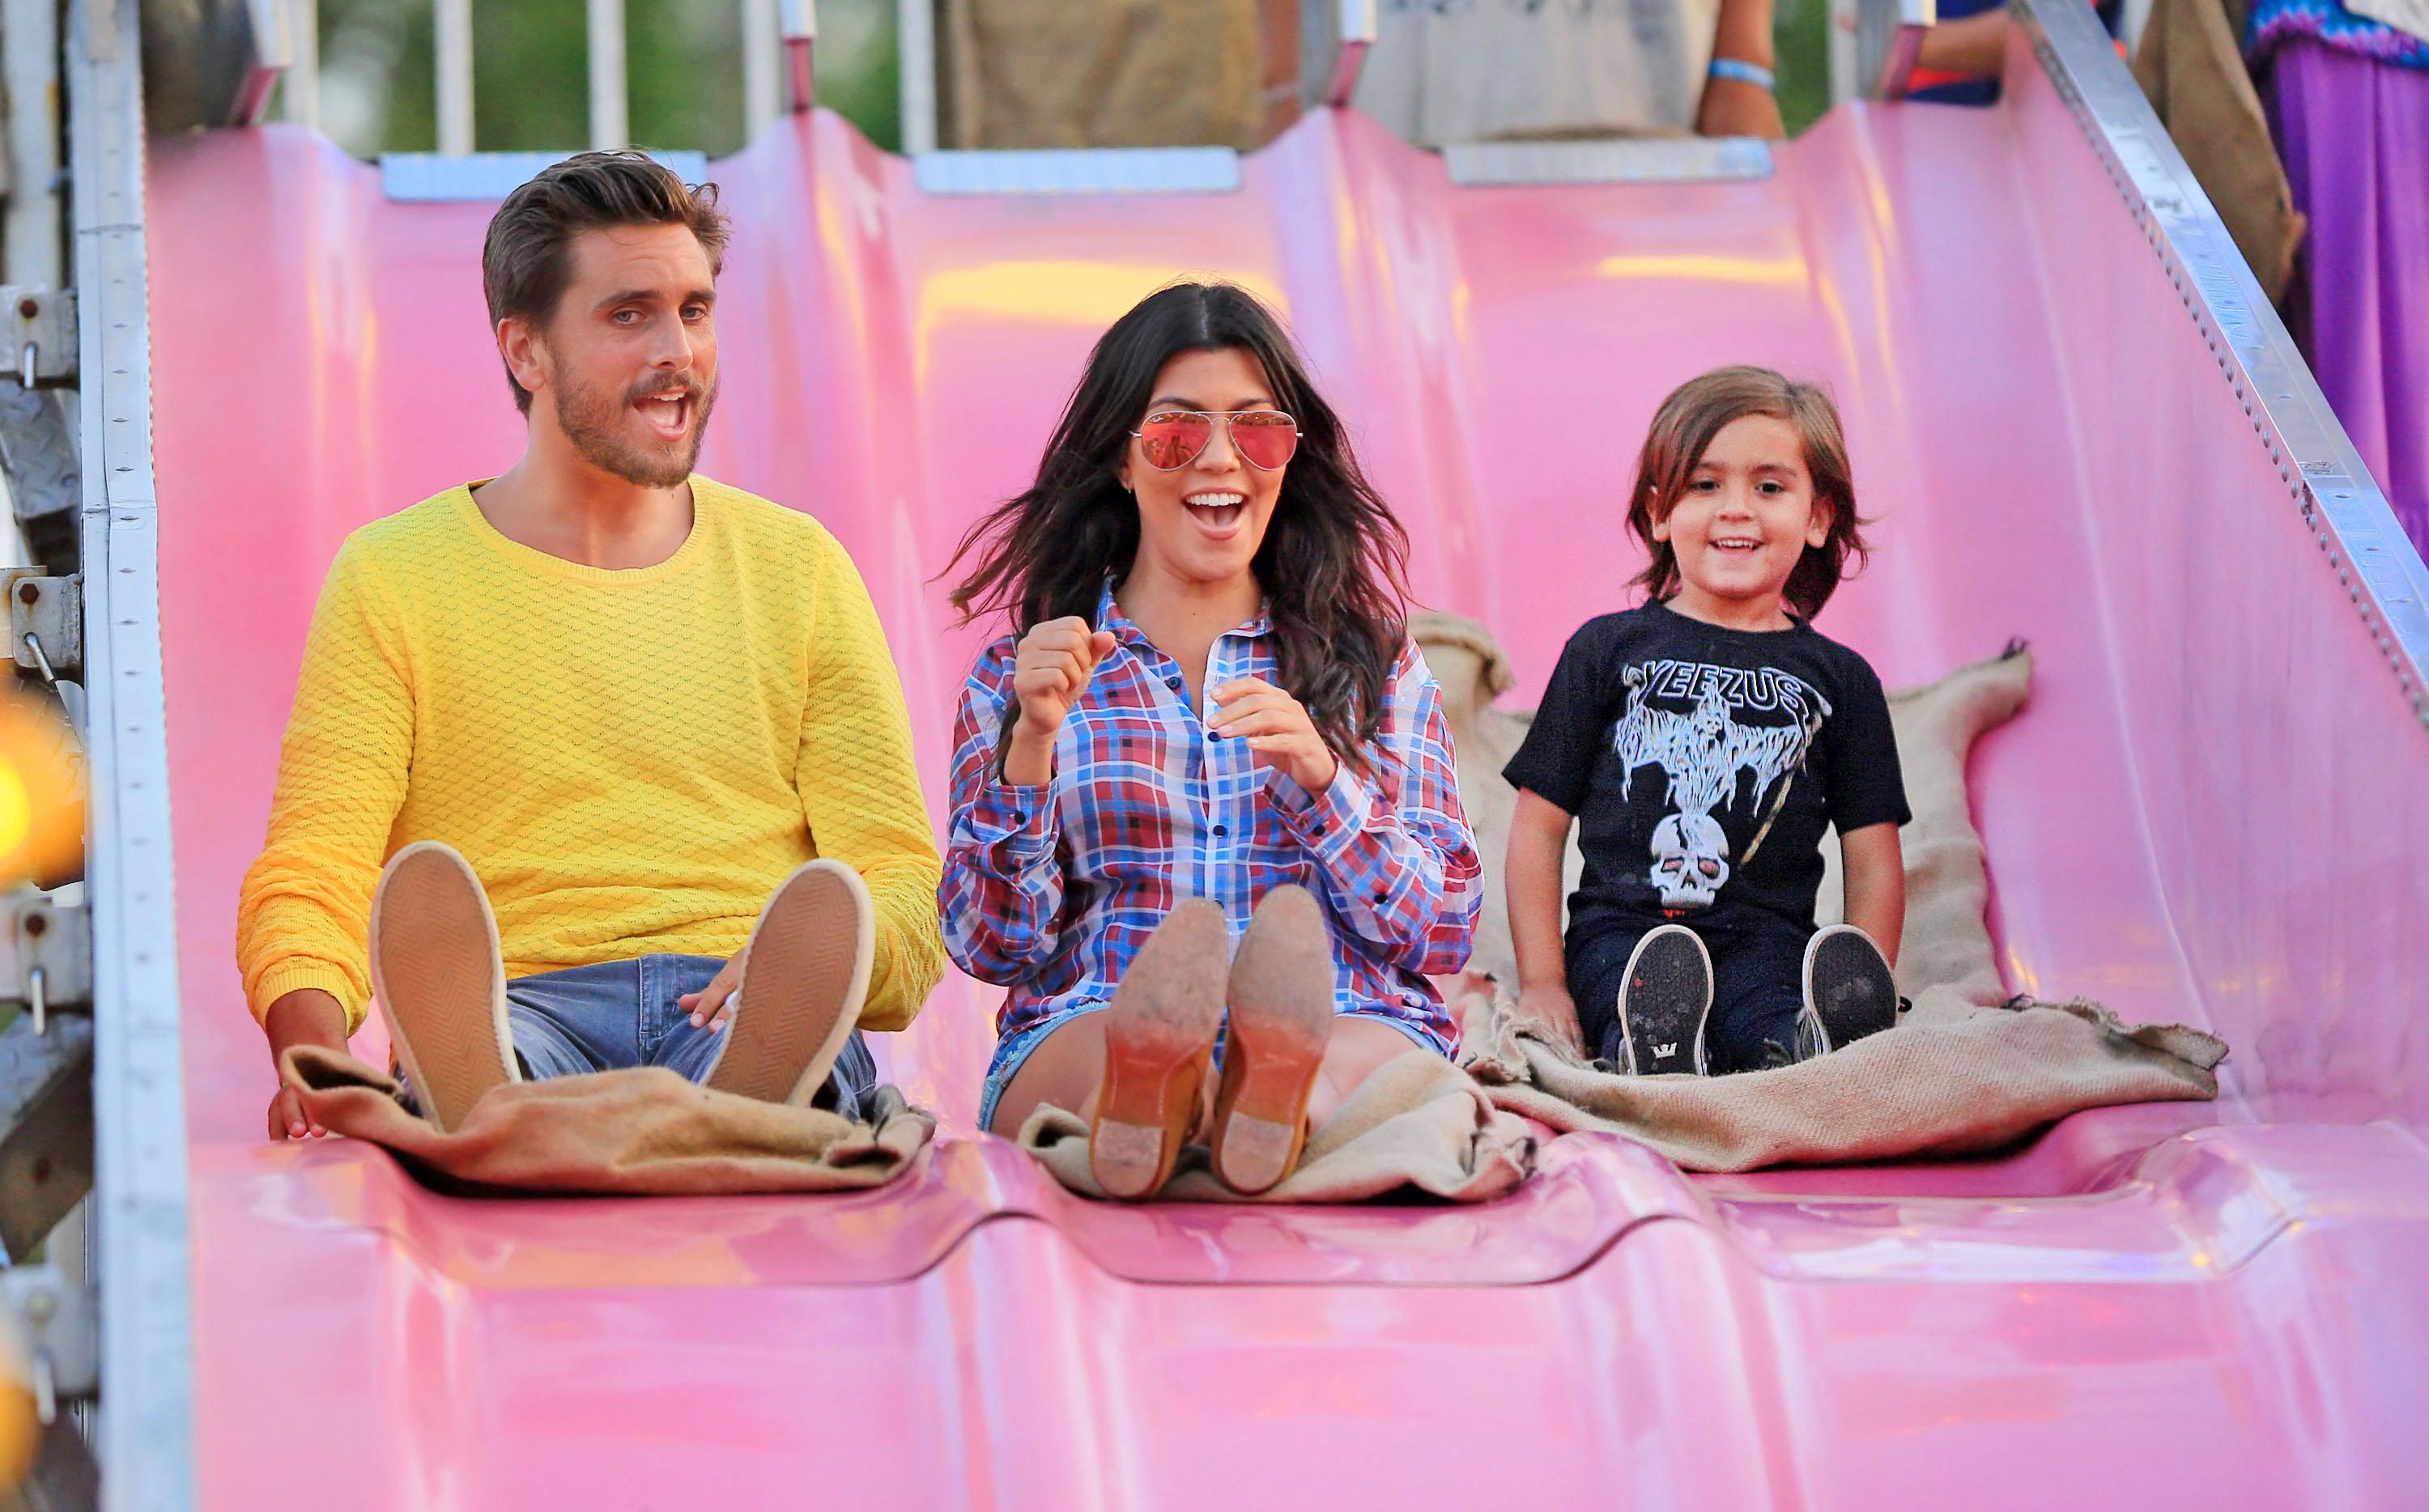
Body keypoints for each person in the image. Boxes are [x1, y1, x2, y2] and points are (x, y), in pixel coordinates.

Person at [237, 151, 947, 1140]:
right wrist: (306, 1048)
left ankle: (732, 1094)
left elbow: (903, 883)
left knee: (783, 1030)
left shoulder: (800, 568)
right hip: (521, 997)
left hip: (742, 996)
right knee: (506, 1047)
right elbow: (316, 865)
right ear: (526, 353)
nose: (679, 352)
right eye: (629, 315)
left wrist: (828, 958)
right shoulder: (393, 575)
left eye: (695, 311)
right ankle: (502, 1093)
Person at [938, 282, 1482, 1200]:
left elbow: (1442, 929)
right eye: (1178, 431)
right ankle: (1156, 1093)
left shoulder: (1374, 664)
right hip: (1094, 1008)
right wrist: (1030, 745)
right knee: (1095, 1046)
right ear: (1124, 456)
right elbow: (991, 945)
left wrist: (1323, 780)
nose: (1221, 458)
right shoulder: (1023, 673)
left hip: (1351, 1012)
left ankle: (1274, 1098)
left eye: (1258, 428)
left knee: (1360, 1058)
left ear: (1289, 454)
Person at [1501, 366, 1908, 1077]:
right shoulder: (1606, 651)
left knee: (1772, 1029)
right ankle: (1653, 1047)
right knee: (1630, 991)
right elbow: (1538, 829)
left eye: (1770, 487)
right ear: (1660, 512)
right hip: (1622, 933)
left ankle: (1818, 1046)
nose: (1737, 509)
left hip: (1768, 942)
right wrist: (1543, 982)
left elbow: (1872, 855)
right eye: (1705, 484)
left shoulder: (1842, 682)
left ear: (1817, 518)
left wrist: (1861, 976)